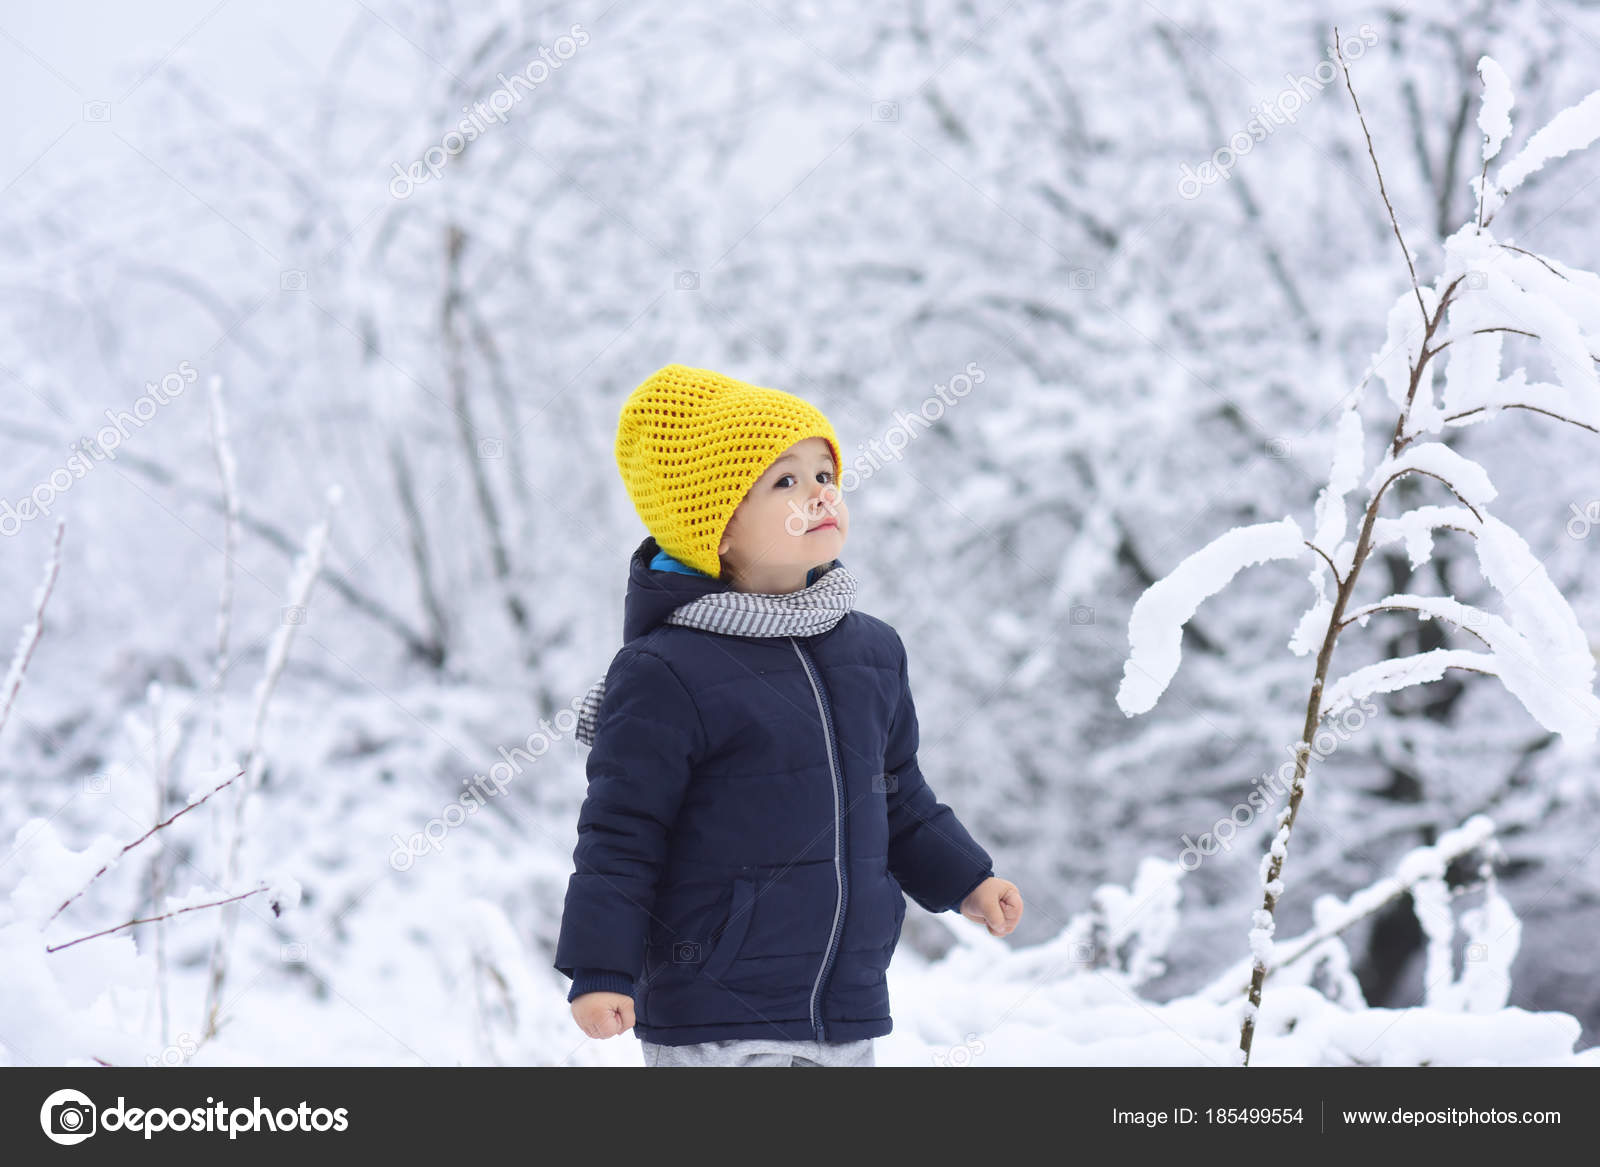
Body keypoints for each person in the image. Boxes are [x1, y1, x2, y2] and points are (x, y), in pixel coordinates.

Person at [554, 363, 1023, 1067]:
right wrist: (601, 969)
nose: (819, 494)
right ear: (718, 529)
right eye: (785, 481)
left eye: (825, 474)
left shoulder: (871, 650)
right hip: (715, 1015)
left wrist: (966, 879)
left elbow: (897, 793)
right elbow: (622, 834)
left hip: (845, 1007)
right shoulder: (669, 670)